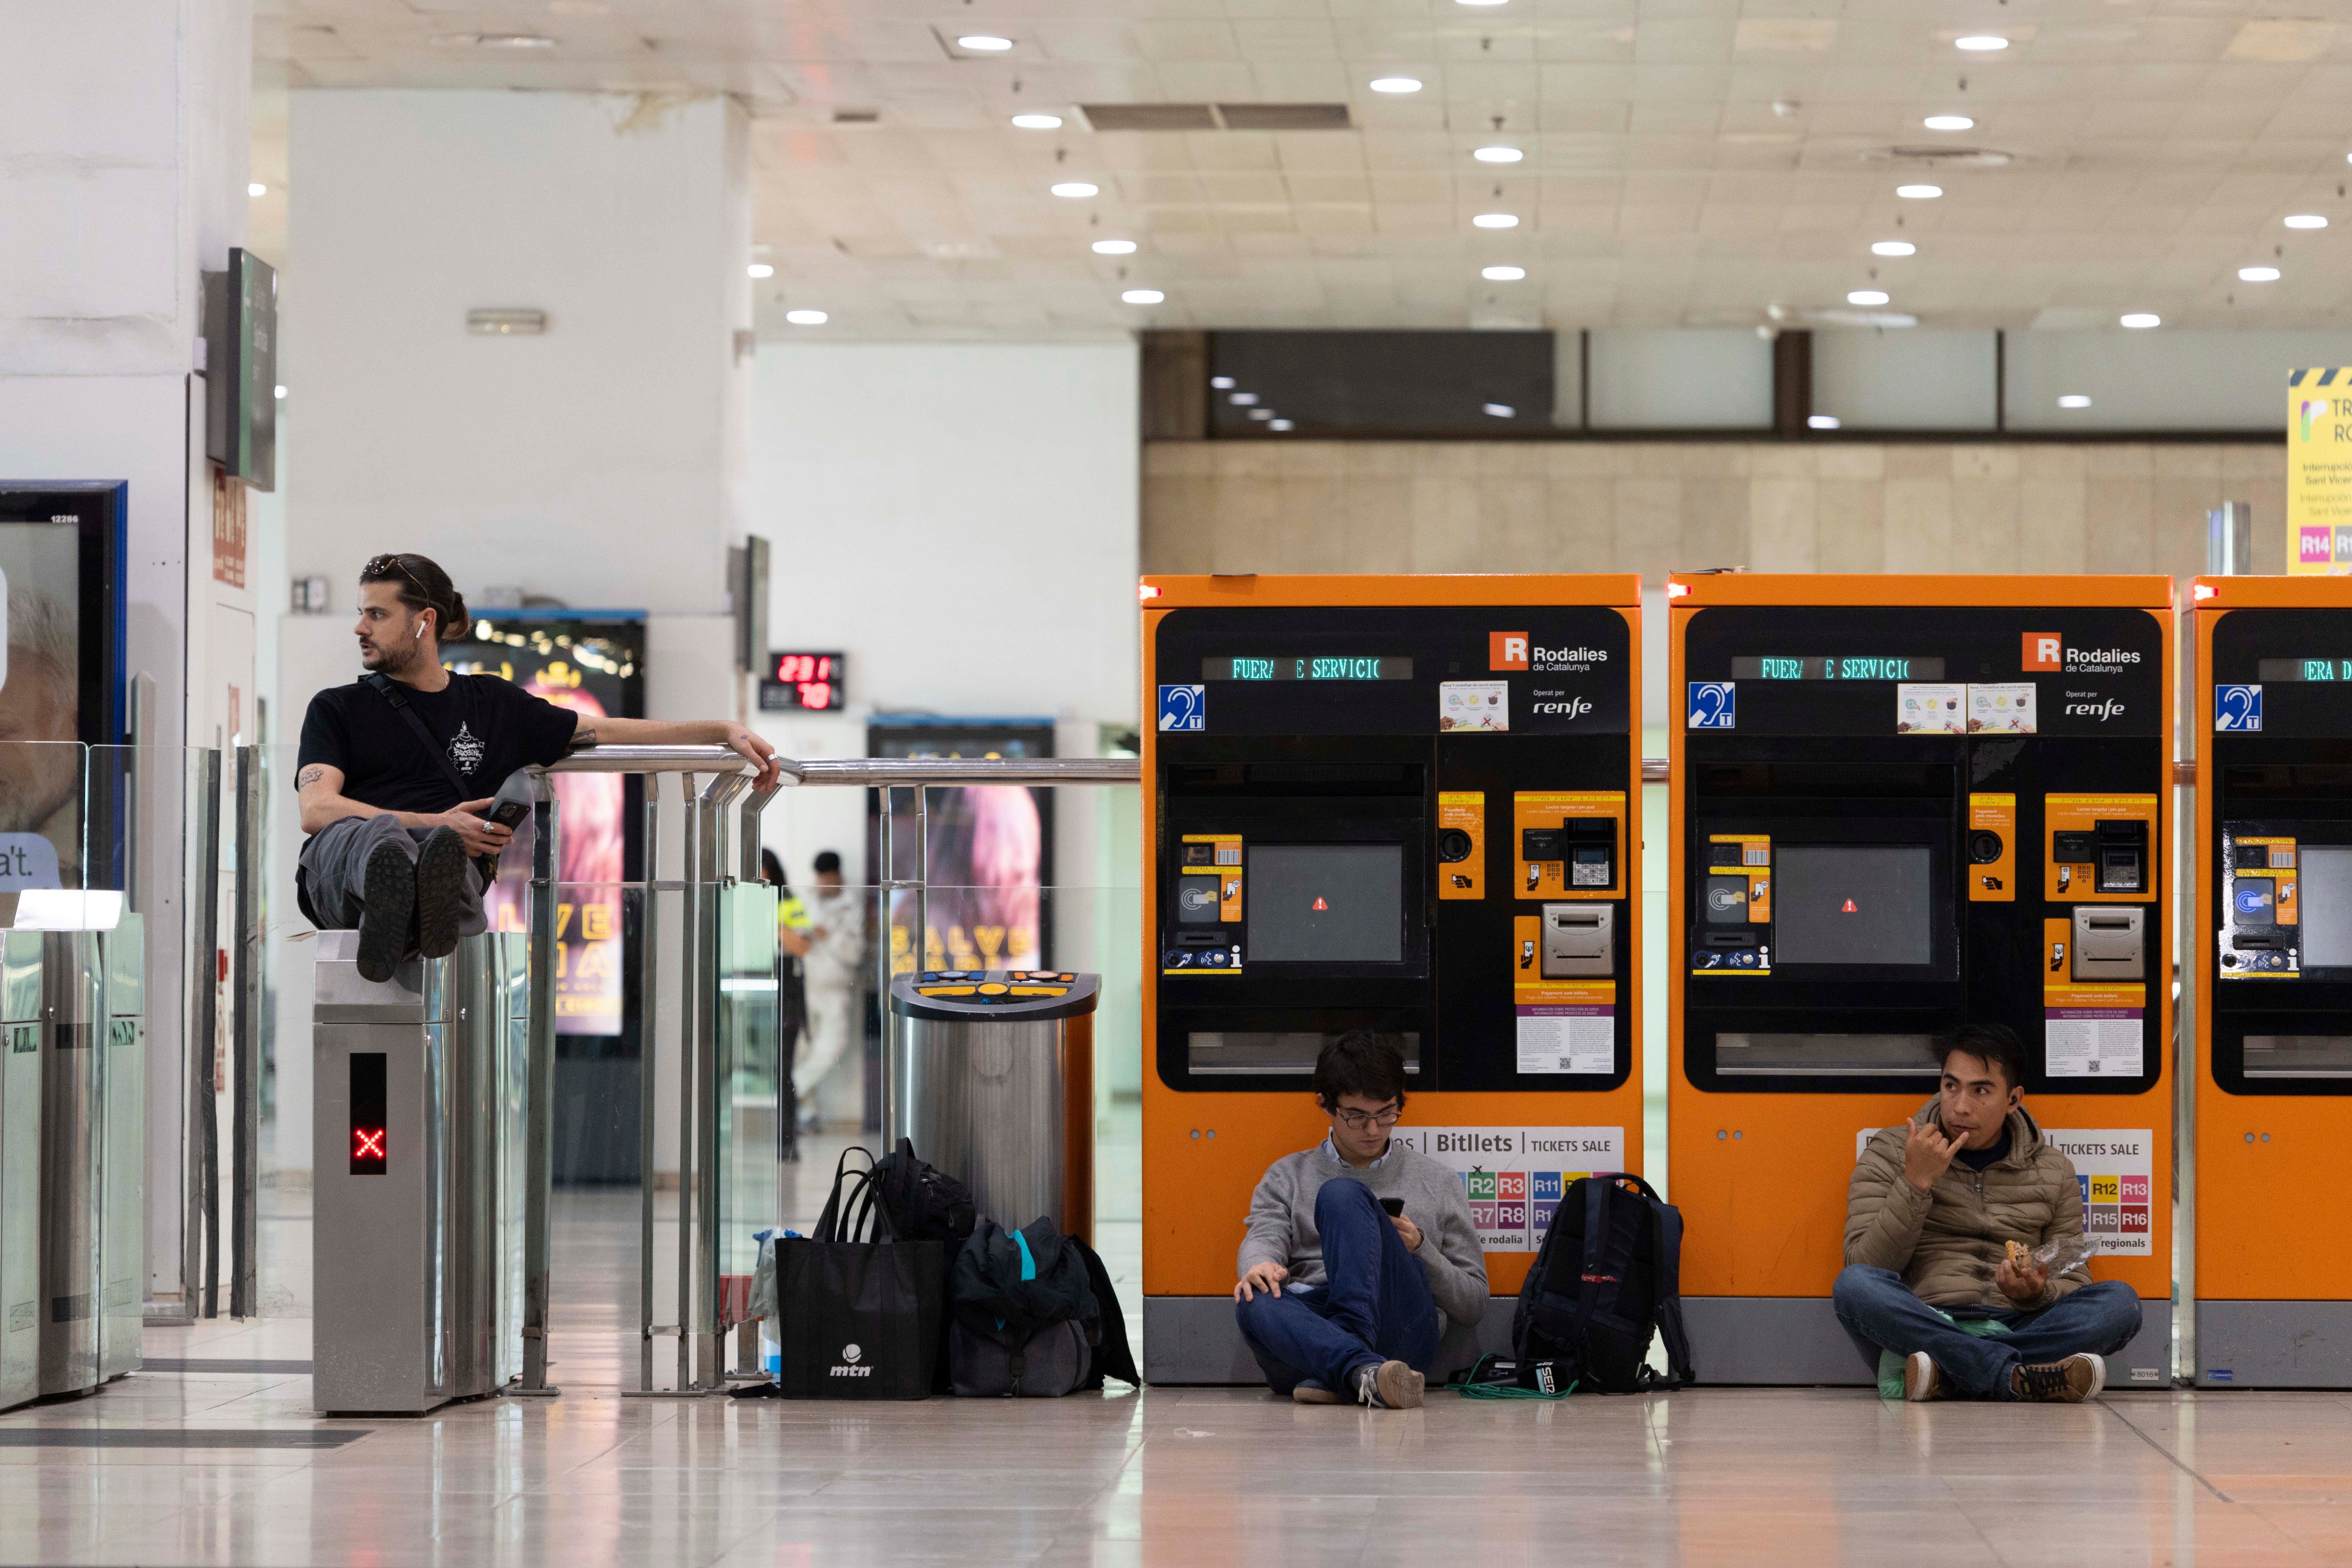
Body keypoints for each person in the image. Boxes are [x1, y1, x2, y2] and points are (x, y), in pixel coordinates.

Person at [296, 552, 779, 982]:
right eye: (363, 614)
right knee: (385, 839)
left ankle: (407, 921)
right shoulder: (337, 707)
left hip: (443, 866)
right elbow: (317, 810)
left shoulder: (492, 705)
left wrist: (719, 729)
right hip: (343, 871)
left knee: (451, 863)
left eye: (377, 615)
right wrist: (438, 823)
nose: (361, 628)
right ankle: (406, 910)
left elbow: (606, 730)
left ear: (425, 622)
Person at [1835, 1022, 2143, 1403]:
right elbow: (1865, 1263)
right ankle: (2014, 1374)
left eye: (1980, 1090)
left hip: (2016, 1322)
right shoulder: (1893, 1150)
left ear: (2013, 1098)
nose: (1960, 1106)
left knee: (2120, 1304)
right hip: (1928, 1318)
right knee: (1854, 1286)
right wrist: (1915, 1182)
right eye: (1951, 1086)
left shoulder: (2053, 1170)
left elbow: (2074, 1278)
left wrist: (2036, 1292)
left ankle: (1951, 1373)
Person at [1232, 1030, 1487, 1410]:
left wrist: (1420, 1248)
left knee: (1342, 1194)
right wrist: (1258, 1267)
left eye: (1386, 1113)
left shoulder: (1437, 1181)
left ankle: (1350, 1359)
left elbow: (1473, 1304)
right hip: (1311, 1337)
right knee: (1252, 1299)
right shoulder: (1287, 1174)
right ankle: (1361, 1371)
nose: (1373, 1130)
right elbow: (1263, 1236)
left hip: (1397, 1332)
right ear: (1325, 1105)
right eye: (1356, 1117)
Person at [794, 849, 865, 1131]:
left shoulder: (853, 906)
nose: (823, 884)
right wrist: (810, 936)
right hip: (807, 986)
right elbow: (794, 938)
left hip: (837, 991)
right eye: (819, 878)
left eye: (828, 878)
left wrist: (829, 937)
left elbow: (855, 954)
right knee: (802, 1049)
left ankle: (790, 1091)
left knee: (831, 1049)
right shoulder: (805, 901)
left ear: (838, 876)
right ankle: (806, 1113)